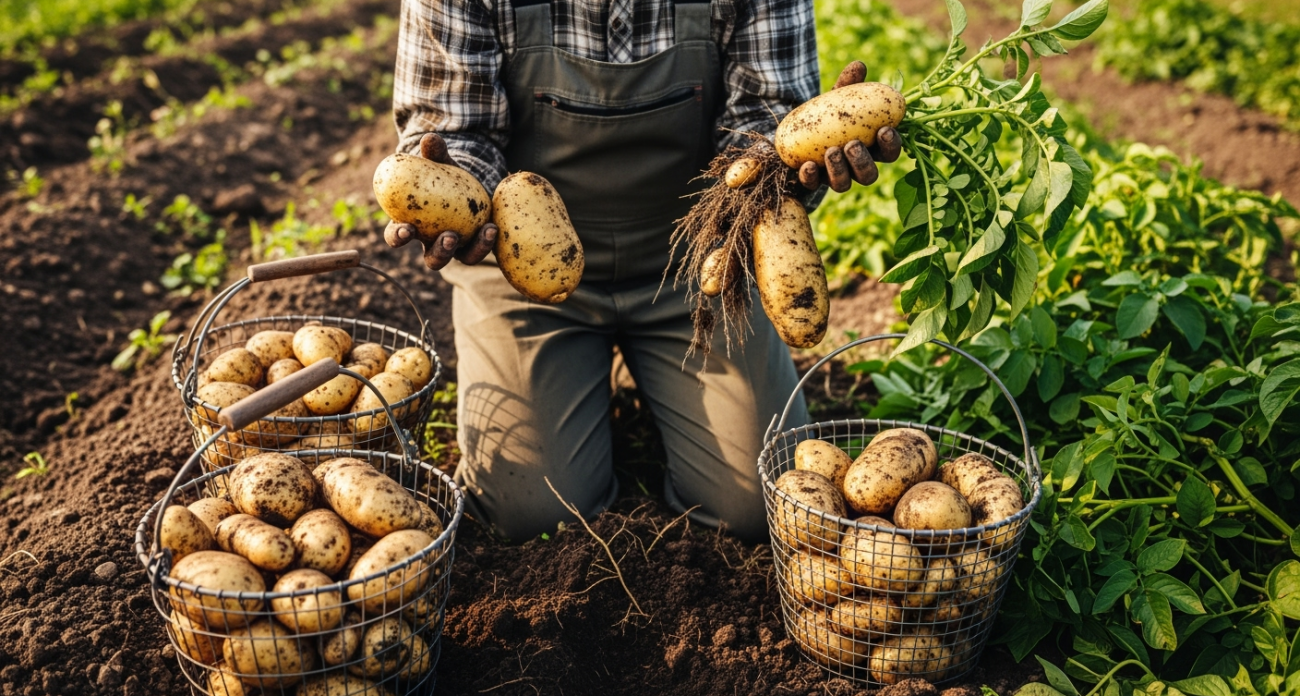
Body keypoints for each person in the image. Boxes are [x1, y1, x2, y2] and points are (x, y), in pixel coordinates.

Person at [385, 0, 898, 543]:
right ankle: (599, 375)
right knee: (533, 515)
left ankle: (649, 376)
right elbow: (459, 131)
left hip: (697, 266)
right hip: (526, 271)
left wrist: (788, 165)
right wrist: (453, 190)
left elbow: (764, 123)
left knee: (757, 505)